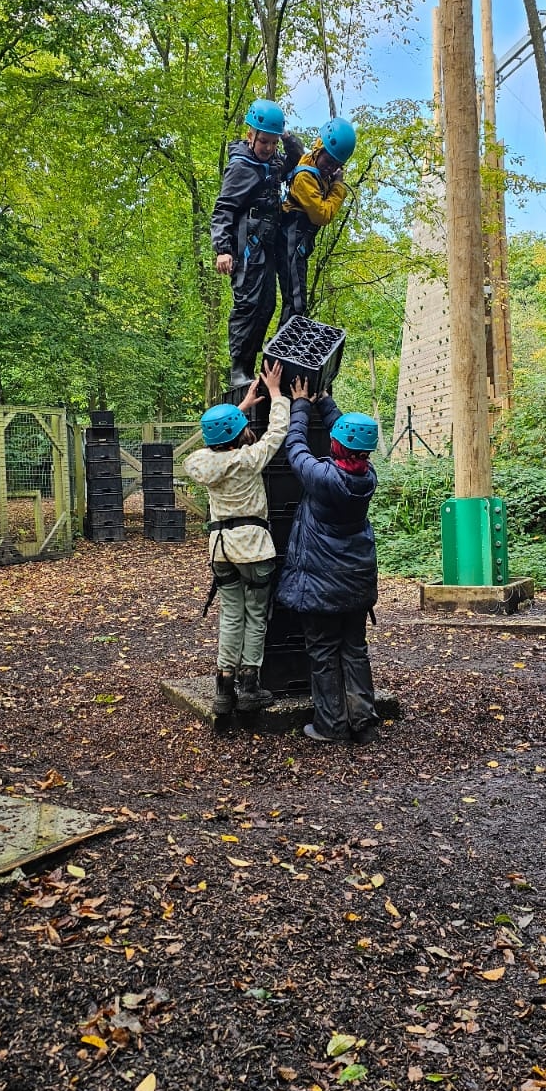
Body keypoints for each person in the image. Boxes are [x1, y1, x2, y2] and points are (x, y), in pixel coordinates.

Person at [277, 377, 381, 744]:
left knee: (322, 652)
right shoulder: (368, 476)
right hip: (356, 580)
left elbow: (295, 446)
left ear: (336, 445)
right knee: (354, 650)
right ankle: (363, 722)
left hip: (321, 584)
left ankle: (331, 725)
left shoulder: (323, 478)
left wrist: (300, 404)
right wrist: (325, 402)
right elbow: (350, 440)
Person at [184, 360, 290, 716]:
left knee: (231, 614)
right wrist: (275, 393)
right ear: (238, 433)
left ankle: (223, 689)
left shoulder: (202, 464)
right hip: (254, 549)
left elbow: (201, 449)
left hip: (221, 551)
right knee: (255, 614)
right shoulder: (248, 459)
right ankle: (249, 687)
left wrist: (238, 410)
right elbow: (278, 430)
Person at [211, 99, 303, 390]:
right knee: (248, 303)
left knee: (267, 304)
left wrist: (286, 137)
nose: (268, 148)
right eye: (264, 141)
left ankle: (256, 366)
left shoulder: (273, 162)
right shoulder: (240, 167)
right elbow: (223, 208)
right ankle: (239, 368)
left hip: (267, 242)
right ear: (250, 136)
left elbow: (296, 158)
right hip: (246, 243)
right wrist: (222, 249)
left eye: (273, 142)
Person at [280, 116, 356, 326]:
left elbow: (297, 150)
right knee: (296, 303)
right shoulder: (305, 177)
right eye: (328, 161)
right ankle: (284, 346)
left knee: (296, 303)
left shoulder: (316, 168)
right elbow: (322, 215)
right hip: (291, 239)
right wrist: (338, 187)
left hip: (297, 242)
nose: (330, 168)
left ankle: (285, 343)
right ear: (318, 150)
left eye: (336, 165)